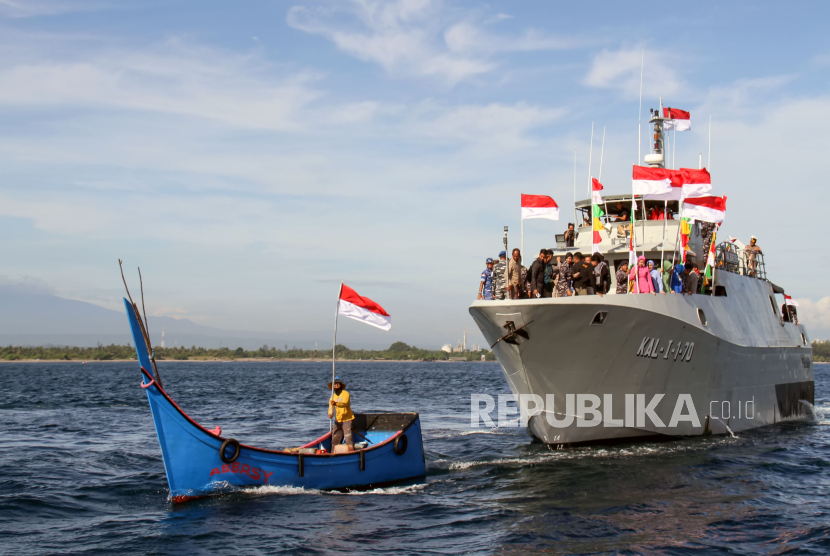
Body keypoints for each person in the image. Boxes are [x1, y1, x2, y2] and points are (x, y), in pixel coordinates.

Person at [328, 376, 354, 449]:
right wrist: (330, 414)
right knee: (335, 437)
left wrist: (336, 403)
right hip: (338, 419)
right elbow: (331, 407)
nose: (336, 385)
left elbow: (344, 403)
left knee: (348, 437)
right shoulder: (332, 397)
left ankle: (351, 451)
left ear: (341, 385)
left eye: (338, 384)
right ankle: (333, 452)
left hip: (347, 418)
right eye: (335, 384)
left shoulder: (345, 393)